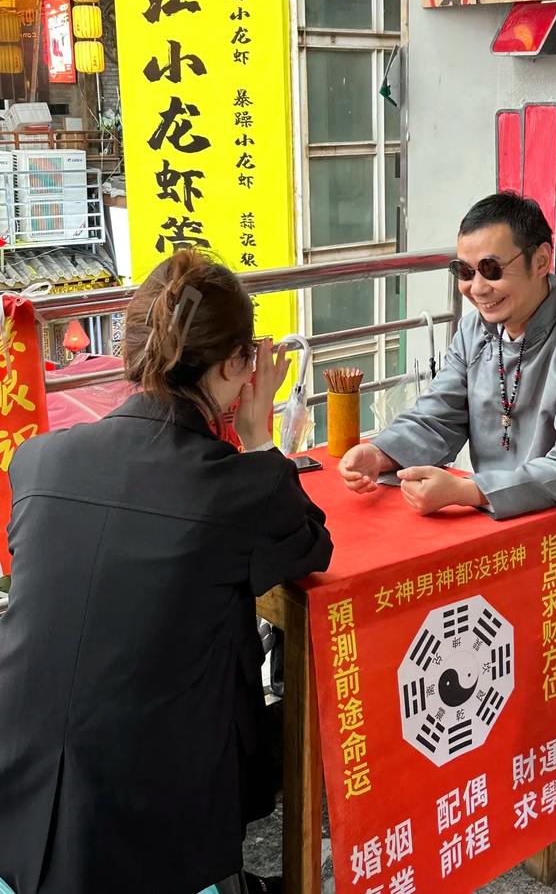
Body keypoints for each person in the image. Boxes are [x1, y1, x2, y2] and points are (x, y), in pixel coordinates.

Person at [0, 250, 332, 894]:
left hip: (18, 792)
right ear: (236, 365)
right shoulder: (239, 488)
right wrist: (259, 437)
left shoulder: (38, 462)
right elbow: (310, 546)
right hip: (151, 823)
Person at [339, 192, 556, 738]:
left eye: (491, 269)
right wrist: (381, 452)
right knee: (421, 590)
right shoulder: (474, 331)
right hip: (497, 518)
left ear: (541, 260)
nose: (476, 287)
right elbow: (440, 414)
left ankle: (522, 744)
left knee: (498, 612)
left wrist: (469, 493)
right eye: (464, 272)